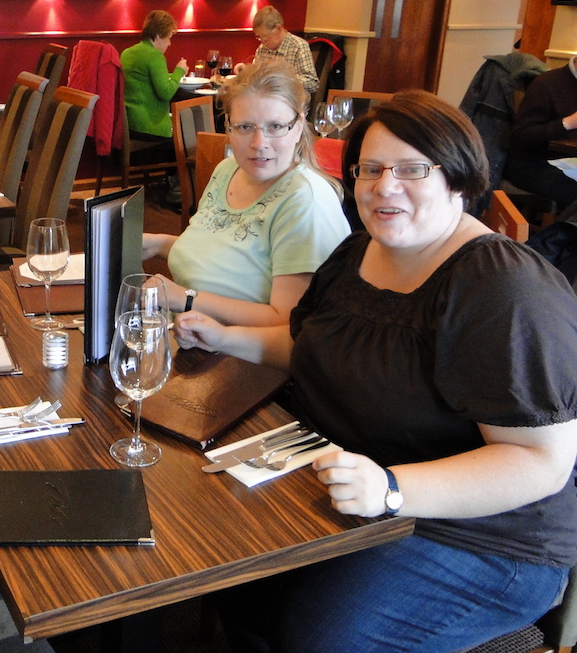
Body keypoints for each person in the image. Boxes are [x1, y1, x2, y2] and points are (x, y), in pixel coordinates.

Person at [174, 90, 577, 652]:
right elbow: (311, 346)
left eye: (412, 169)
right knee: (227, 567)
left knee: (322, 635)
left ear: (458, 178)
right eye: (370, 169)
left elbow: (540, 462)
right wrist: (223, 337)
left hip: (482, 536)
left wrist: (391, 488)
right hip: (349, 485)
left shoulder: (501, 288)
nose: (385, 186)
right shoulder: (356, 252)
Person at [142, 60, 349, 326]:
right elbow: (223, 254)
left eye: (276, 126)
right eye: (245, 127)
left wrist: (185, 299)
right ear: (229, 126)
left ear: (298, 127)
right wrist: (158, 244)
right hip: (186, 331)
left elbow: (289, 324)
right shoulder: (228, 170)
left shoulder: (306, 202)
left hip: (234, 349)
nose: (259, 143)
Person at [505, 54, 577, 209]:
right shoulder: (547, 83)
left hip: (570, 162)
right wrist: (568, 123)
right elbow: (520, 137)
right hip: (532, 164)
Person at [120, 9, 190, 141]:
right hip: (150, 128)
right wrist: (179, 71)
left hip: (129, 124)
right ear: (158, 36)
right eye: (168, 38)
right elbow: (166, 92)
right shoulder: (155, 56)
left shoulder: (127, 52)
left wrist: (171, 75)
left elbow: (147, 79)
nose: (169, 43)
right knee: (187, 134)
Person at [236, 5, 319, 96]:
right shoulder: (262, 49)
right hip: (266, 98)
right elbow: (257, 78)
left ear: (278, 28)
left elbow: (312, 83)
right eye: (259, 37)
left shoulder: (298, 46)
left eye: (265, 36)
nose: (263, 41)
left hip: (290, 100)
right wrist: (246, 71)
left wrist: (282, 79)